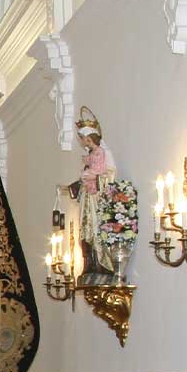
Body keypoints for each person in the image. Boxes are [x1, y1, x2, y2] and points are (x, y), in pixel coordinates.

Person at [68, 108, 117, 279]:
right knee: (85, 229)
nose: (86, 143)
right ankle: (89, 264)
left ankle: (102, 264)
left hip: (97, 197)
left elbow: (109, 175)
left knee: (97, 226)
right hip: (87, 197)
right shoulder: (90, 156)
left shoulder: (104, 154)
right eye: (84, 141)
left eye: (87, 140)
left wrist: (93, 177)